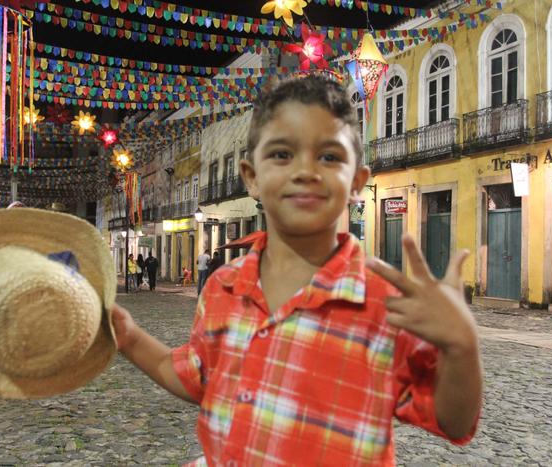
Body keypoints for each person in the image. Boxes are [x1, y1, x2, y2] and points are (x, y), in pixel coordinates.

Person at [110, 75, 482, 465]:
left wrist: (461, 347)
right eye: (282, 154)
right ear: (251, 177)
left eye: (329, 156)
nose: (305, 170)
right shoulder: (223, 287)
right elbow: (197, 376)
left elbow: (452, 421)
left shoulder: (386, 303)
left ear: (356, 183)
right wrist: (130, 339)